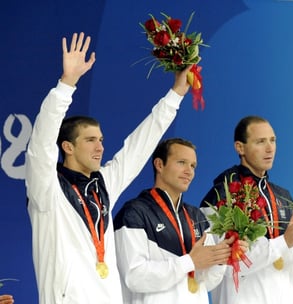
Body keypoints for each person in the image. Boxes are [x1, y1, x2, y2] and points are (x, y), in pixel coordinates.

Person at [25, 32, 192, 303]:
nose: (100, 147)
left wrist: (176, 95)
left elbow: (139, 147)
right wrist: (66, 85)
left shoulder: (103, 184)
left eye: (101, 140)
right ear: (67, 147)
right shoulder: (48, 188)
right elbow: (40, 146)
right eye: (90, 140)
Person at [199, 115, 293, 304]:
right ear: (240, 147)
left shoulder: (282, 196)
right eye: (260, 142)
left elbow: (291, 267)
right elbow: (230, 265)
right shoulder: (221, 196)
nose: (270, 148)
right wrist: (284, 241)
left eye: (272, 140)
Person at [114, 138, 240, 303]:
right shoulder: (134, 213)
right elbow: (134, 276)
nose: (189, 171)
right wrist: (189, 261)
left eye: (193, 166)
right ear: (159, 165)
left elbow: (205, 283)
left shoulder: (197, 216)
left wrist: (221, 259)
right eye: (182, 162)